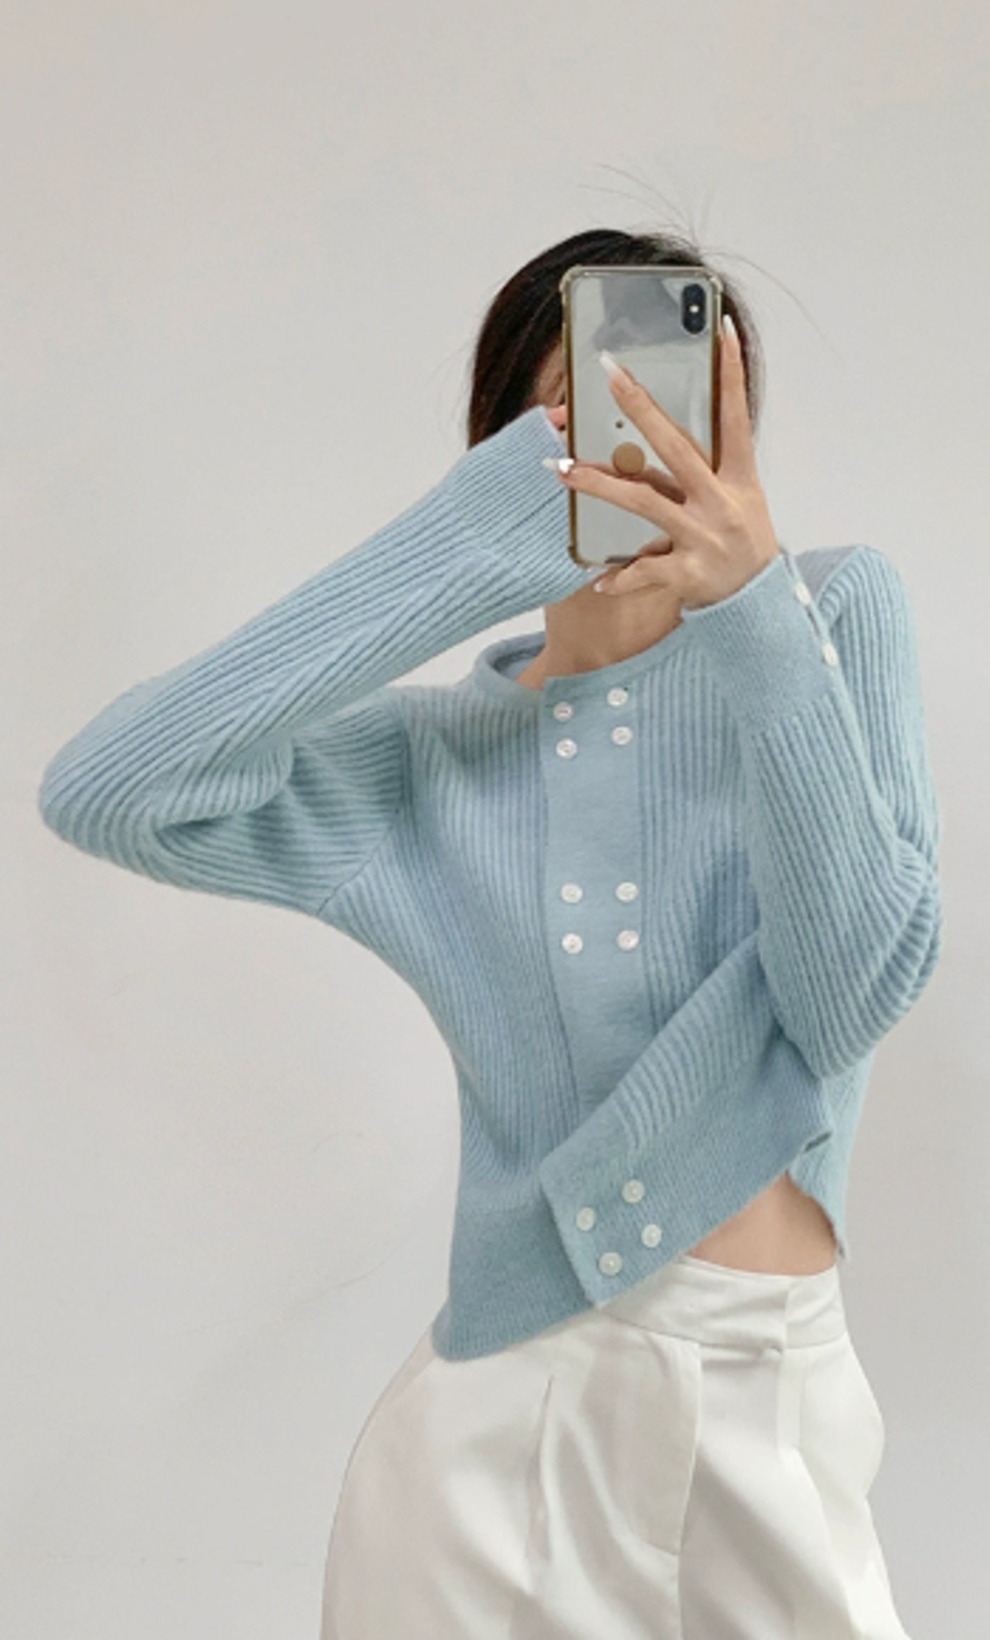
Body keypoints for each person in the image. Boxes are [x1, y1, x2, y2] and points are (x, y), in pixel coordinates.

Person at [38, 226, 942, 1637]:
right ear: (503, 456)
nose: (649, 459)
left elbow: (853, 991)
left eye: (689, 416)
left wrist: (757, 606)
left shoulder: (825, 624)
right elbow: (109, 788)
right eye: (591, 423)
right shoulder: (425, 764)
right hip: (497, 1434)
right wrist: (465, 543)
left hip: (771, 1406)